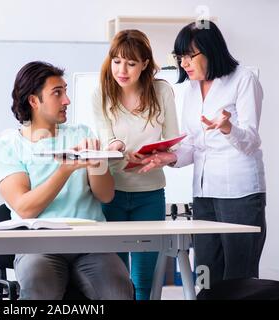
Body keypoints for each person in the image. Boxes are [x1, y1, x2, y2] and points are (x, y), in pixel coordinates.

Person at [0, 61, 134, 300]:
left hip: (90, 244)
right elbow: (25, 209)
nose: (67, 100)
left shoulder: (83, 134)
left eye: (65, 91)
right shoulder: (6, 147)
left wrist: (96, 160)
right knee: (40, 290)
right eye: (58, 93)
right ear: (34, 101)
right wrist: (65, 170)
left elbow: (106, 195)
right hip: (38, 247)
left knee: (118, 290)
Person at [139, 21, 266, 288]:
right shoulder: (192, 89)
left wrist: (228, 127)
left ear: (211, 50)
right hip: (204, 193)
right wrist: (169, 158)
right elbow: (193, 146)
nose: (183, 63)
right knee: (205, 274)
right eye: (179, 57)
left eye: (189, 55)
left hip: (239, 194)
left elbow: (251, 141)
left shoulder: (243, 80)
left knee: (240, 278)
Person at [92, 29, 179, 300]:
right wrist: (115, 147)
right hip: (112, 193)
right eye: (117, 61)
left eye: (131, 63)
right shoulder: (101, 93)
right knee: (114, 278)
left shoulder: (162, 91)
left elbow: (172, 140)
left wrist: (159, 153)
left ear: (144, 64)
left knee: (144, 278)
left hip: (150, 194)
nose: (123, 69)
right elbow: (108, 140)